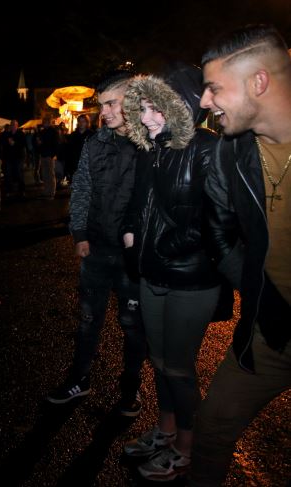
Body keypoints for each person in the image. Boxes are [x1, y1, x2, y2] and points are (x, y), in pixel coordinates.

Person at [191, 24, 291, 486]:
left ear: (259, 81)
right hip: (269, 334)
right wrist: (258, 293)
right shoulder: (229, 154)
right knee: (212, 426)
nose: (204, 101)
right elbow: (219, 233)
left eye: (214, 87)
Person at [121, 64, 220, 482]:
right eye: (142, 109)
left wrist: (161, 247)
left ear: (182, 105)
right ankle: (165, 430)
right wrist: (129, 232)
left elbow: (215, 223)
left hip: (190, 279)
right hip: (152, 274)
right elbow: (137, 203)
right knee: (159, 361)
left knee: (179, 367)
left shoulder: (208, 148)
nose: (145, 119)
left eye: (153, 108)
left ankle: (185, 447)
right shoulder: (152, 149)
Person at [46, 71, 145, 421]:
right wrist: (79, 233)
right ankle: (79, 379)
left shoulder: (151, 144)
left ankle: (130, 389)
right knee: (88, 320)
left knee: (133, 325)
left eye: (112, 103)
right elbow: (82, 189)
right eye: (102, 105)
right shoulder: (95, 143)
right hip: (97, 250)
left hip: (135, 258)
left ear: (133, 99)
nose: (104, 112)